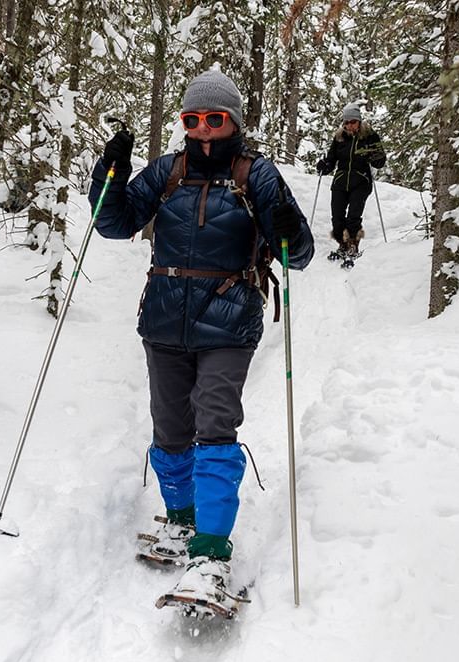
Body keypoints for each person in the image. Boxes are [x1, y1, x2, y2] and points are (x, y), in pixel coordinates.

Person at [89, 70, 314, 603]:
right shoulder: (167, 171)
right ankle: (181, 521)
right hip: (164, 318)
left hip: (230, 319)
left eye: (214, 119)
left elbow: (297, 254)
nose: (204, 130)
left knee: (214, 425)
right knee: (170, 430)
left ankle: (210, 556)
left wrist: (285, 226)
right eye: (193, 120)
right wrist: (111, 170)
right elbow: (113, 222)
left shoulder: (256, 174)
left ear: (233, 120)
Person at [316, 102, 386, 268]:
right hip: (340, 181)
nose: (349, 125)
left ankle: (353, 246)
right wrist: (325, 165)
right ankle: (343, 245)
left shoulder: (370, 136)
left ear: (359, 121)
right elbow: (332, 159)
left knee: (353, 216)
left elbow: (380, 161)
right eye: (346, 122)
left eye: (352, 121)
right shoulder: (340, 138)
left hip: (361, 181)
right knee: (337, 217)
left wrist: (374, 157)